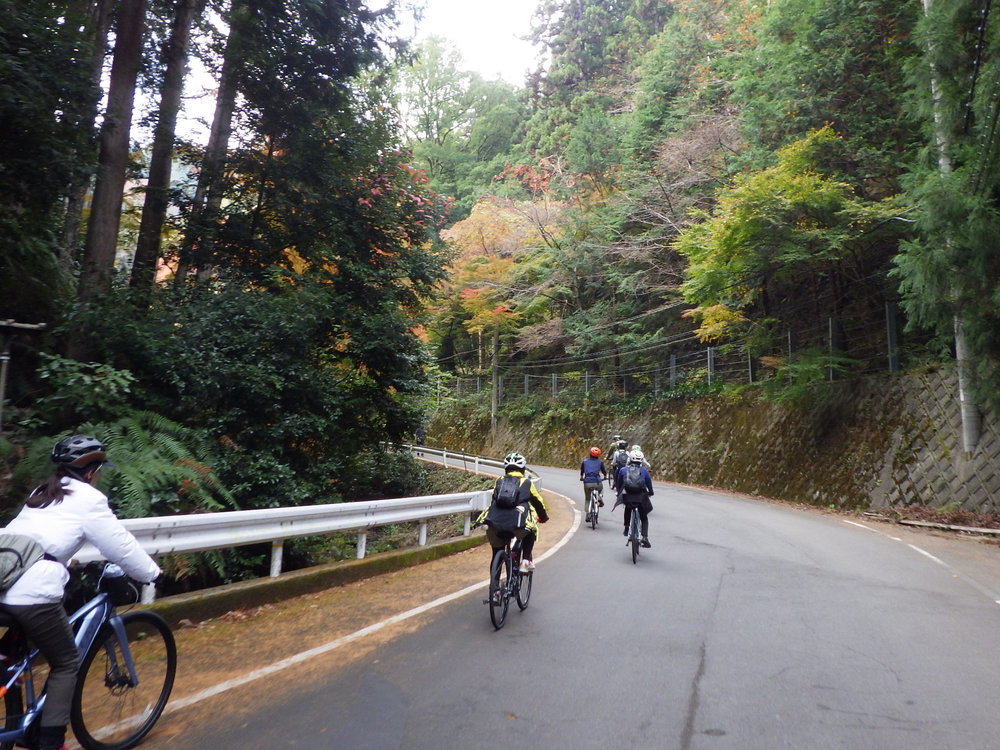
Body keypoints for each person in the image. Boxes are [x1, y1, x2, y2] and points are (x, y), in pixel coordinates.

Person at [0, 435, 161, 750]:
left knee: (14, 651)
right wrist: (151, 574)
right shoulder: (89, 499)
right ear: (91, 470)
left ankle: (14, 703)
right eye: (98, 470)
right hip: (30, 593)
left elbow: (38, 537)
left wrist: (67, 562)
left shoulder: (43, 491)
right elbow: (120, 545)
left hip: (4, 581)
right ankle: (49, 741)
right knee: (66, 662)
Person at [477, 452, 549, 572]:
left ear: (506, 468)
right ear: (523, 469)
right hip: (517, 524)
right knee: (531, 530)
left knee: (496, 553)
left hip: (495, 523)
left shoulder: (499, 480)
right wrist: (543, 517)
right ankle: (525, 561)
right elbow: (538, 502)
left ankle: (495, 588)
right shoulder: (526, 483)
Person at [615, 448, 654, 548]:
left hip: (628, 496)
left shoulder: (623, 470)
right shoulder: (644, 471)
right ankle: (644, 537)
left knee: (628, 508)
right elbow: (649, 483)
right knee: (644, 517)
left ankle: (627, 528)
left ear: (630, 459)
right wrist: (651, 492)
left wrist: (618, 493)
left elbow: (619, 484)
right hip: (641, 497)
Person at [579, 447, 607, 523]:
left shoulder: (585, 462)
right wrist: (605, 476)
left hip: (587, 482)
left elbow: (582, 471)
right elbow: (604, 472)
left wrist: (581, 477)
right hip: (597, 482)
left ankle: (588, 513)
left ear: (590, 454)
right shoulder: (600, 462)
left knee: (588, 498)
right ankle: (600, 497)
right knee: (601, 489)